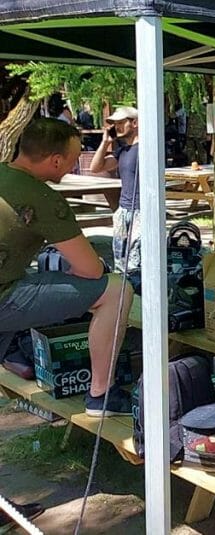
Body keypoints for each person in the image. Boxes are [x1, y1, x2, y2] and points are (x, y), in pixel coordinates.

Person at [0, 118, 135, 416]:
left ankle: (14, 355)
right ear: (56, 161)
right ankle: (102, 396)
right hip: (4, 297)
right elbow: (92, 270)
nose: (75, 165)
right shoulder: (41, 197)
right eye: (74, 159)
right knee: (117, 290)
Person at [89, 106, 141, 273]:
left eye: (121, 123)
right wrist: (105, 142)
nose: (117, 127)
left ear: (134, 123)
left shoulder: (146, 148)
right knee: (120, 259)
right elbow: (95, 167)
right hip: (123, 209)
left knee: (135, 260)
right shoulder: (122, 151)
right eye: (115, 124)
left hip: (140, 210)